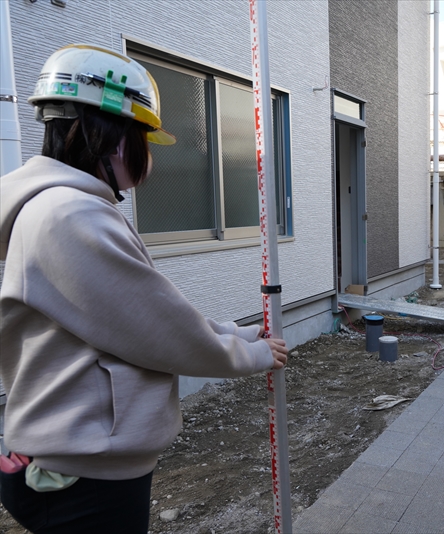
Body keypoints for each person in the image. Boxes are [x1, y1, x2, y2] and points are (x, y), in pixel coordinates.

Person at [0, 44, 288, 533]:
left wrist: (238, 334)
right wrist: (253, 356)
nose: (147, 158)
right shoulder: (70, 217)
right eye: (145, 140)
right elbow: (162, 332)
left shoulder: (65, 209)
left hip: (73, 458)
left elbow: (142, 313)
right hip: (83, 475)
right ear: (113, 139)